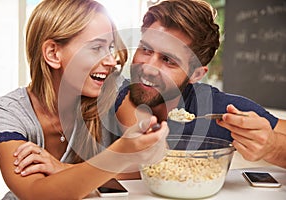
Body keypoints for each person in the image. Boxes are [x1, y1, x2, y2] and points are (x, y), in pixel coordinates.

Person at [0, 0, 168, 199]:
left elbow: (159, 165)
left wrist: (63, 168)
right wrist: (122, 153)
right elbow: (36, 193)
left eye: (110, 47)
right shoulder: (6, 113)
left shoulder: (114, 90)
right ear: (53, 54)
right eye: (96, 48)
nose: (111, 60)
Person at [114, 0, 286, 168]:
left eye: (168, 60)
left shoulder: (218, 110)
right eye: (146, 49)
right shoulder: (107, 96)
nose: (149, 68)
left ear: (196, 74)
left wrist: (273, 148)